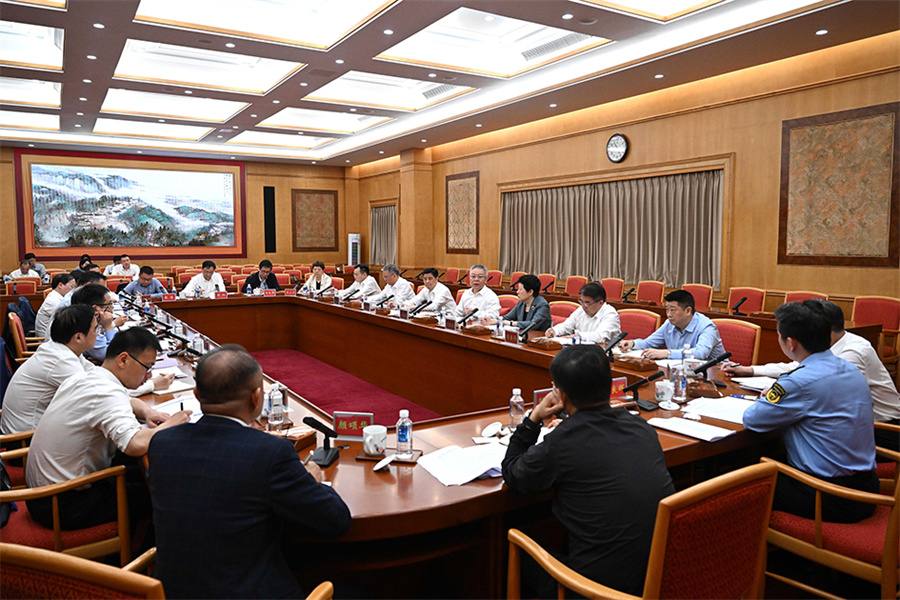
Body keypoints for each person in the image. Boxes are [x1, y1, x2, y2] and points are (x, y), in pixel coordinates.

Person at [147, 345, 352, 599]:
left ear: (197, 394)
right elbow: (335, 522)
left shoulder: (162, 443)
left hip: (171, 592)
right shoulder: (270, 453)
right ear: (256, 397)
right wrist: (312, 480)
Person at [502, 344, 674, 596]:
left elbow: (512, 472)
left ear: (561, 395)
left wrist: (533, 418)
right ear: (609, 385)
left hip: (595, 591)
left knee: (506, 548)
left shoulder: (563, 442)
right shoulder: (642, 428)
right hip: (657, 579)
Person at [25, 328, 190, 530]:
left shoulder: (91, 376)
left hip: (43, 492)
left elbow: (125, 399)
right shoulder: (105, 392)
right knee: (166, 494)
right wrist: (172, 423)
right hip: (61, 504)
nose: (148, 376)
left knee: (149, 472)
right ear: (123, 360)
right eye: (146, 367)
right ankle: (143, 549)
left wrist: (148, 412)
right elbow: (134, 444)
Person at [742, 301, 877, 523]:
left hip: (829, 495)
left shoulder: (797, 381)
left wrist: (772, 397)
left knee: (735, 479)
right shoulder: (850, 368)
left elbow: (752, 420)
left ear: (791, 343)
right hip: (867, 488)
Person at [726, 299, 900, 453]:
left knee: (773, 443)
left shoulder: (853, 353)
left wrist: (780, 393)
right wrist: (751, 370)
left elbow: (755, 419)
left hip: (882, 427)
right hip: (852, 436)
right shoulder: (831, 355)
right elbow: (798, 368)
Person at [1, 305, 99, 434]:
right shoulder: (60, 361)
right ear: (78, 337)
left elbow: (96, 374)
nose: (98, 334)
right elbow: (92, 396)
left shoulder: (63, 349)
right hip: (25, 438)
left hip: (39, 428)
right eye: (95, 329)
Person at [619, 289, 726, 360]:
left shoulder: (706, 326)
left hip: (716, 375)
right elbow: (649, 343)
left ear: (688, 311)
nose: (669, 314)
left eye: (673, 310)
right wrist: (632, 344)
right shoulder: (669, 324)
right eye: (667, 310)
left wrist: (667, 353)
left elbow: (700, 353)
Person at [545, 282, 620, 345]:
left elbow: (600, 337)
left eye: (587, 303)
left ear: (600, 303)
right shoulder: (581, 310)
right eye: (581, 301)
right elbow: (566, 325)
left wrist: (577, 336)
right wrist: (554, 331)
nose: (583, 306)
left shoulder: (610, 314)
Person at [71, 283, 126, 362]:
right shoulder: (85, 327)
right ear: (95, 309)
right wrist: (109, 326)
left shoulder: (79, 317)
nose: (112, 307)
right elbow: (115, 355)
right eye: (109, 304)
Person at [483, 273, 551, 333]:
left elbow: (532, 324)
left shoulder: (542, 305)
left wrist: (511, 323)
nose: (517, 292)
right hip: (522, 336)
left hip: (537, 338)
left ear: (530, 292)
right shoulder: (521, 303)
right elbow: (508, 317)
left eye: (520, 289)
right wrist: (494, 320)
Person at [44, 270, 105, 335]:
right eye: (100, 288)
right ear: (89, 285)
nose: (102, 292)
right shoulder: (73, 299)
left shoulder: (79, 294)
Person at [34, 273, 76, 337]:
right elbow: (67, 322)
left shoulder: (57, 297)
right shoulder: (53, 301)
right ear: (60, 285)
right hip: (47, 339)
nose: (73, 290)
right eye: (72, 286)